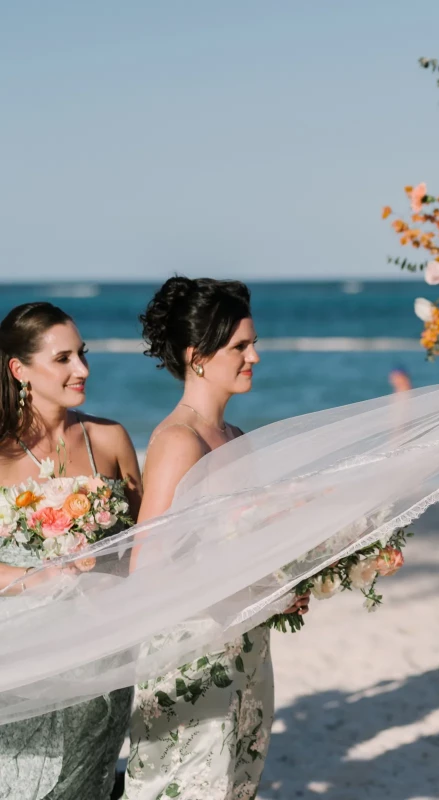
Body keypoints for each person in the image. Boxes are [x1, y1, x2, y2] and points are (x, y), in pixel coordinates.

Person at [123, 278, 307, 800]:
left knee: (237, 785)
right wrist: (244, 586)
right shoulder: (177, 441)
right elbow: (147, 565)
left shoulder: (236, 439)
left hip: (247, 645)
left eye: (253, 343)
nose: (255, 356)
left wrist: (285, 578)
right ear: (197, 357)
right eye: (241, 347)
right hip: (192, 654)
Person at [0, 302, 140, 800]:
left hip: (101, 660)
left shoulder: (109, 438)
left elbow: (144, 547)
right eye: (63, 358)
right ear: (20, 370)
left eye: (82, 354)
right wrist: (34, 576)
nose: (82, 369)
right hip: (19, 661)